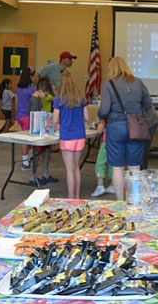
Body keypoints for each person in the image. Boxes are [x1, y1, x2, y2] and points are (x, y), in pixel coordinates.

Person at [97, 56, 152, 201]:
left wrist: (100, 117)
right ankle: (134, 200)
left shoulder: (109, 85)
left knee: (117, 168)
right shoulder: (138, 83)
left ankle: (120, 202)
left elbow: (104, 109)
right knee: (135, 168)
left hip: (115, 128)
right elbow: (148, 105)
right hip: (135, 128)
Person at [52, 71, 88, 199]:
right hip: (80, 136)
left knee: (69, 169)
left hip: (67, 136)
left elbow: (55, 119)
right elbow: (87, 117)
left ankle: (70, 197)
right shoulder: (81, 98)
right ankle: (77, 196)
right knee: (76, 167)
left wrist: (58, 123)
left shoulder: (59, 99)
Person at [28, 78, 57, 185]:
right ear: (40, 91)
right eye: (45, 93)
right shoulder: (34, 100)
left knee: (48, 151)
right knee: (36, 154)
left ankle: (45, 174)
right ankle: (32, 176)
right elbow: (34, 116)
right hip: (37, 131)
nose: (46, 96)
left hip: (42, 129)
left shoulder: (38, 99)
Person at [16, 67, 38, 170]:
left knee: (26, 136)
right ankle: (25, 161)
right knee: (26, 139)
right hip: (27, 116)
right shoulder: (31, 90)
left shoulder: (19, 88)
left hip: (19, 115)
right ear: (30, 76)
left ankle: (27, 158)